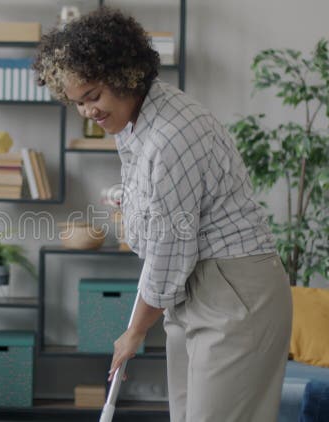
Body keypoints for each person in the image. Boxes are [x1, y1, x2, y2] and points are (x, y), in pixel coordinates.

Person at [34, 7, 292, 422]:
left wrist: (134, 332)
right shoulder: (135, 122)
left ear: (124, 74)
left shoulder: (170, 135)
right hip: (193, 292)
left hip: (234, 294)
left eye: (94, 96)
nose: (88, 113)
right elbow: (165, 208)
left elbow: (171, 251)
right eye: (78, 103)